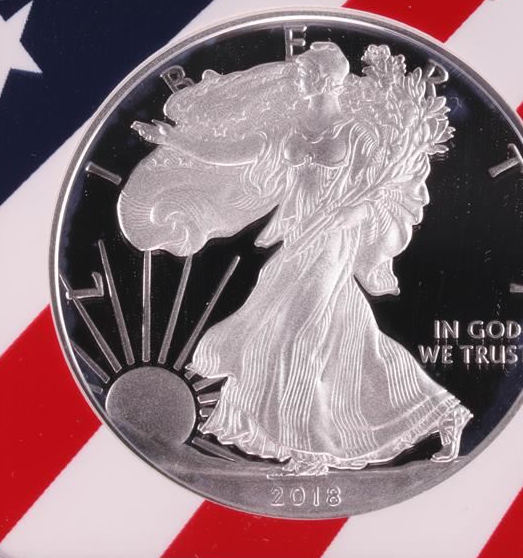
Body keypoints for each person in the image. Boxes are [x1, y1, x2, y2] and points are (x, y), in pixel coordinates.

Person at [119, 40, 471, 474]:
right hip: (299, 244)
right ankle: (444, 413)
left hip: (333, 246)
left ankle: (311, 450)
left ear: (324, 80)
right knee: (356, 343)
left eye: (303, 73)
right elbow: (232, 155)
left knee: (292, 337)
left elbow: (384, 193)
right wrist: (174, 139)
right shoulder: (290, 132)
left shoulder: (359, 135)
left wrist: (353, 211)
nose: (296, 78)